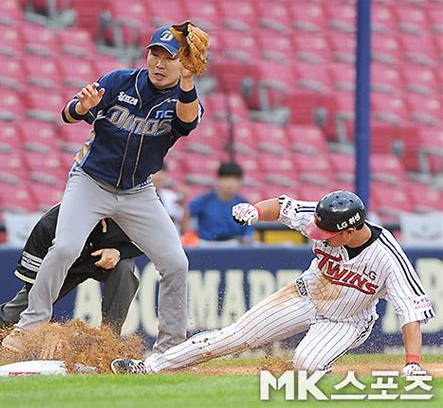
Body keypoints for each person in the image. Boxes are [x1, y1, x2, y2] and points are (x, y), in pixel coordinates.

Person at [3, 24, 203, 354]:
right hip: (91, 181)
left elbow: (188, 120)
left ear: (185, 64)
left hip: (138, 191)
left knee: (176, 264)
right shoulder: (119, 81)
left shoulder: (183, 98)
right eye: (155, 53)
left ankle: (170, 349)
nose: (160, 62)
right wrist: (82, 107)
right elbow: (69, 113)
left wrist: (188, 82)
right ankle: (30, 325)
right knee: (66, 246)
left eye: (171, 57)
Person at [111, 190, 434, 376]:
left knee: (306, 365)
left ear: (350, 231)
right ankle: (149, 367)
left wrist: (413, 363)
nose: (319, 236)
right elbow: (283, 206)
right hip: (304, 295)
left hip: (346, 320)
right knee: (234, 337)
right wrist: (254, 210)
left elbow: (410, 310)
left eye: (328, 234)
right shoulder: (324, 218)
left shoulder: (387, 256)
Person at [0, 203, 142, 370]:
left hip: (103, 261)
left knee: (125, 268)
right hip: (57, 268)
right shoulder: (50, 223)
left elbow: (157, 240)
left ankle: (108, 347)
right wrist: (48, 325)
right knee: (18, 309)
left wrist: (120, 252)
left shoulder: (127, 214)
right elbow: (33, 288)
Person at [188, 161, 254, 246]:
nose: (230, 183)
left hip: (234, 246)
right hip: (207, 245)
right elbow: (188, 214)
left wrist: (245, 239)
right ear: (218, 180)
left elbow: (248, 233)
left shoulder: (244, 205)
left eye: (234, 179)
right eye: (226, 178)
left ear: (240, 182)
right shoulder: (204, 200)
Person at [152, 163, 188, 234]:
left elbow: (184, 227)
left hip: (170, 237)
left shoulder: (172, 197)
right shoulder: (142, 198)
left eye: (159, 180)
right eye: (156, 179)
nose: (158, 182)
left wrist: (184, 203)